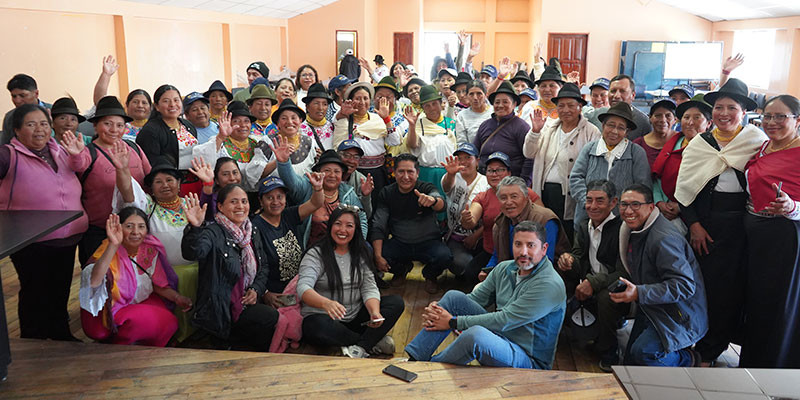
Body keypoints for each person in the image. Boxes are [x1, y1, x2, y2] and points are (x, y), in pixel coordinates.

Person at [675, 78, 766, 366]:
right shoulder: (700, 143)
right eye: (718, 107)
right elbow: (685, 189)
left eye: (731, 108)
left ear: (744, 112)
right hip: (704, 223)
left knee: (729, 290)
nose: (724, 113)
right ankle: (693, 338)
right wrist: (694, 225)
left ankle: (713, 347)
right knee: (700, 285)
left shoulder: (756, 141)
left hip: (742, 227)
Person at [404, 221, 566, 369]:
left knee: (475, 336)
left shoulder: (549, 284)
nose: (523, 252)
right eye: (518, 244)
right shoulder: (504, 268)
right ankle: (414, 359)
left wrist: (453, 322)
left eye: (531, 245)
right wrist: (439, 311)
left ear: (544, 249)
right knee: (454, 298)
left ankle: (426, 369)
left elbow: (505, 320)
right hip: (500, 337)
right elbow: (473, 300)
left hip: (528, 360)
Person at [0, 103, 88, 340]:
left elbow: (80, 168)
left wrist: (77, 154)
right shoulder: (8, 155)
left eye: (43, 124)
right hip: (31, 240)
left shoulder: (59, 150)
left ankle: (60, 333)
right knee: (34, 291)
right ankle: (32, 338)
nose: (39, 129)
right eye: (30, 124)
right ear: (17, 130)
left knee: (59, 288)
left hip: (67, 235)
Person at [613, 184, 707, 367]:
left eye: (635, 204)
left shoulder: (663, 239)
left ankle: (689, 360)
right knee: (629, 362)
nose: (628, 210)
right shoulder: (632, 229)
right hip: (654, 305)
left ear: (651, 207)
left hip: (680, 313)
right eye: (624, 204)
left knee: (645, 354)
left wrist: (639, 293)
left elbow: (685, 285)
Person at [181, 185, 279, 351]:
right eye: (233, 202)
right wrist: (195, 228)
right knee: (268, 317)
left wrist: (255, 289)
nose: (240, 206)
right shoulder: (212, 231)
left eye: (244, 201)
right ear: (220, 206)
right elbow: (193, 252)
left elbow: (263, 267)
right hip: (222, 307)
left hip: (248, 300)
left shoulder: (251, 230)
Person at [741, 94, 800, 368]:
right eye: (767, 116)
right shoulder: (765, 146)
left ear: (797, 120)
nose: (771, 122)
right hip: (757, 236)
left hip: (786, 237)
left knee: (779, 307)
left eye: (780, 117)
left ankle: (775, 370)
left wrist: (792, 207)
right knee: (758, 303)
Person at [298, 207, 404, 358]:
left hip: (354, 316)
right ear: (330, 226)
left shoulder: (361, 252)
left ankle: (360, 347)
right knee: (315, 327)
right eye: (338, 224)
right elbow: (303, 288)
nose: (343, 230)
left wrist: (374, 312)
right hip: (324, 317)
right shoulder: (316, 253)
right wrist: (326, 303)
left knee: (396, 302)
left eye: (349, 225)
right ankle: (369, 343)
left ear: (356, 229)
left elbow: (369, 287)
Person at [80, 207, 190, 346]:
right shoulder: (108, 249)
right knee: (164, 322)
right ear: (119, 228)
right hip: (116, 308)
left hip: (142, 301)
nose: (135, 232)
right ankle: (120, 347)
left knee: (169, 322)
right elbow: (94, 281)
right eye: (129, 226)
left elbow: (158, 284)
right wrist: (114, 245)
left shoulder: (149, 249)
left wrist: (177, 298)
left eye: (141, 227)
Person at [61, 96, 151, 264]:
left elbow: (149, 180)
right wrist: (75, 155)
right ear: (95, 125)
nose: (114, 129)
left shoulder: (134, 148)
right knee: (99, 281)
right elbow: (78, 165)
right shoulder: (88, 152)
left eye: (119, 125)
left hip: (134, 231)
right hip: (99, 232)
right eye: (107, 124)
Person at [556, 180, 628, 372]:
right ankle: (559, 334)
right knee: (558, 275)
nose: (593, 206)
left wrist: (592, 282)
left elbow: (623, 272)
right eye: (589, 200)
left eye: (600, 201)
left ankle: (609, 350)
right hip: (589, 279)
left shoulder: (623, 229)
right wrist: (568, 259)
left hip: (615, 284)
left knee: (606, 297)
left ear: (613, 203)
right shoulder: (582, 225)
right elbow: (579, 256)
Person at [525, 82, 601, 240]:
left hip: (571, 195)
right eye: (561, 106)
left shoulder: (591, 131)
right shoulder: (548, 127)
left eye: (571, 105)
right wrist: (535, 132)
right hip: (545, 192)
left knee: (568, 235)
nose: (565, 110)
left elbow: (594, 168)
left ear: (580, 106)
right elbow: (529, 153)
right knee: (546, 232)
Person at [370, 153, 451, 293]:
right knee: (374, 254)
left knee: (445, 257)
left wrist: (433, 201)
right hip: (399, 243)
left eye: (410, 172)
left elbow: (441, 204)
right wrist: (378, 256)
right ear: (394, 173)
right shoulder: (387, 193)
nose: (405, 176)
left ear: (417, 173)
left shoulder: (426, 188)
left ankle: (430, 276)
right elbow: (378, 224)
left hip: (428, 243)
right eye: (401, 171)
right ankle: (401, 270)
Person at [461, 152, 543, 283]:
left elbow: (542, 218)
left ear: (509, 172)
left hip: (525, 251)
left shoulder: (526, 193)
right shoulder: (483, 197)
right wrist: (467, 219)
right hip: (494, 252)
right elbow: (471, 220)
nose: (495, 174)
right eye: (490, 170)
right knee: (470, 274)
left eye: (500, 170)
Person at [569, 102, 652, 228]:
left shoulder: (636, 153)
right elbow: (576, 178)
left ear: (627, 132)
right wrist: (591, 203)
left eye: (621, 128)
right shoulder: (589, 149)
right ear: (603, 125)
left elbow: (642, 186)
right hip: (587, 217)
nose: (614, 131)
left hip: (622, 220)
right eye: (611, 125)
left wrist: (625, 207)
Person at [276, 141, 368, 248]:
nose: (332, 175)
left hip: (340, 248)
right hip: (311, 249)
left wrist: (357, 244)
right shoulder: (308, 186)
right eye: (327, 171)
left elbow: (361, 219)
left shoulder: (348, 193)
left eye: (337, 171)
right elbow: (292, 183)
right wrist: (283, 162)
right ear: (319, 171)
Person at [252, 171, 324, 297]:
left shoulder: (288, 215)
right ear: (261, 201)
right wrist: (265, 293)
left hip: (299, 285)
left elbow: (315, 203)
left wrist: (317, 188)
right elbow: (254, 267)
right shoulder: (255, 226)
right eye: (269, 198)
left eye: (280, 197)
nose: (275, 202)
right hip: (275, 293)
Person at [652, 94, 712, 234]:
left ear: (708, 123)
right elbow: (657, 177)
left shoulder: (711, 150)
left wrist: (681, 207)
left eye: (697, 117)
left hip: (693, 216)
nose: (690, 122)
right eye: (686, 117)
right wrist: (659, 202)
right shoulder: (673, 143)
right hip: (662, 208)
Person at [487, 176, 570, 270]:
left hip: (543, 276)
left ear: (526, 198)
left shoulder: (544, 219)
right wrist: (487, 271)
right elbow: (496, 255)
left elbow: (545, 262)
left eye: (514, 196)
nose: (509, 202)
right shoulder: (499, 224)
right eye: (503, 198)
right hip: (511, 274)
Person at [333, 82, 401, 194]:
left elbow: (395, 141)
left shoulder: (378, 119)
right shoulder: (343, 121)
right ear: (350, 101)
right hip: (352, 172)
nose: (362, 102)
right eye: (358, 98)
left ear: (371, 101)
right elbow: (337, 147)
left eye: (366, 98)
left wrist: (386, 119)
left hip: (378, 172)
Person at [192, 102, 270, 198]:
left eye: (246, 121)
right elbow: (201, 158)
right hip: (226, 197)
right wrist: (220, 137)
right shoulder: (219, 142)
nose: (243, 125)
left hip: (257, 196)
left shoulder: (258, 142)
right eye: (236, 121)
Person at [136, 84, 199, 195]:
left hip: (194, 181)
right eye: (166, 101)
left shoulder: (187, 125)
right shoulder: (150, 131)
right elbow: (150, 165)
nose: (172, 105)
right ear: (157, 106)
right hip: (169, 188)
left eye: (176, 100)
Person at [441, 143, 490, 277]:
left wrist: (475, 236)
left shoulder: (486, 182)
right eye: (459, 158)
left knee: (482, 265)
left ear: (477, 161)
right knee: (464, 265)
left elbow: (491, 215)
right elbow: (446, 187)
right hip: (456, 236)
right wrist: (451, 174)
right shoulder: (451, 178)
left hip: (481, 236)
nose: (463, 162)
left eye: (468, 157)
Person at [472, 81, 532, 184]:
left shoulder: (522, 127)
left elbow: (529, 158)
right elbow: (474, 152)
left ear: (514, 104)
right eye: (497, 102)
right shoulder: (485, 125)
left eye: (505, 102)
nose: (500, 105)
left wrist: (524, 183)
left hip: (511, 183)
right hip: (484, 182)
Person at [404, 85, 457, 196]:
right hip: (425, 173)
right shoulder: (419, 124)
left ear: (441, 104)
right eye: (427, 105)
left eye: (434, 104)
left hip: (448, 173)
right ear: (423, 108)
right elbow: (412, 145)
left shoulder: (451, 123)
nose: (432, 108)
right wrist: (412, 126)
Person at [92, 56, 151, 141]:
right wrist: (106, 75)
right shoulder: (118, 125)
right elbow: (100, 101)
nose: (140, 106)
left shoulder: (155, 127)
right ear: (127, 105)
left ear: (150, 107)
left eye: (144, 103)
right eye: (135, 102)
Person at [586, 75, 652, 141]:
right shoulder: (597, 115)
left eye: (622, 91)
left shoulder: (643, 123)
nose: (616, 96)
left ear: (633, 95)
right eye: (613, 91)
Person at [2, 74, 51, 145]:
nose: (17, 100)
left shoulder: (55, 111)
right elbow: (5, 145)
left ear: (36, 93)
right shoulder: (10, 117)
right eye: (14, 96)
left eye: (22, 95)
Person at [191, 156, 242, 222]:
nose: (232, 178)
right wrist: (208, 184)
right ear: (217, 180)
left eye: (235, 173)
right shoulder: (215, 200)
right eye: (225, 174)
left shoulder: (244, 196)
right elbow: (207, 213)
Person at [633, 99, 678, 168]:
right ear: (650, 118)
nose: (663, 120)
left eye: (668, 116)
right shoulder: (639, 144)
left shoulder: (681, 141)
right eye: (658, 115)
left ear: (675, 120)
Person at [337, 139, 374, 217]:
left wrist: (365, 196)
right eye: (346, 155)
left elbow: (367, 214)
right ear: (338, 157)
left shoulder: (362, 180)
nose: (351, 160)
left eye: (356, 157)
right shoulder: (329, 176)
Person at [455, 80, 493, 145]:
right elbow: (461, 142)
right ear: (467, 96)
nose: (475, 98)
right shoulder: (462, 116)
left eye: (479, 93)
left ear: (485, 95)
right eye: (471, 94)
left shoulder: (494, 112)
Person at [300, 83, 335, 150]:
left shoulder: (333, 128)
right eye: (316, 103)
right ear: (307, 106)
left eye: (324, 104)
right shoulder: (299, 129)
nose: (320, 108)